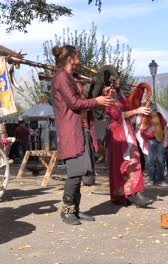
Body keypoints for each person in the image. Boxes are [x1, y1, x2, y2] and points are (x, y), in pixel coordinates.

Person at [50, 45, 114, 225]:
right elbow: (74, 103)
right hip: (70, 131)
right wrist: (97, 101)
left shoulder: (72, 77)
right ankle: (67, 211)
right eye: (77, 54)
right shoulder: (61, 77)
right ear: (70, 58)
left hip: (82, 128)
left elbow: (85, 97)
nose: (79, 57)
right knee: (74, 173)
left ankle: (76, 211)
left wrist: (102, 94)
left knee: (81, 172)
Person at [104, 82, 154, 207]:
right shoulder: (107, 98)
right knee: (120, 164)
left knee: (135, 161)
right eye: (115, 80)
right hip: (117, 133)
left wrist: (140, 114)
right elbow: (117, 116)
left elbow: (127, 115)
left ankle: (136, 193)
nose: (118, 82)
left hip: (127, 130)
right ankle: (123, 195)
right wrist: (136, 110)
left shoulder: (120, 96)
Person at [142, 103, 168, 186]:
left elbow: (165, 128)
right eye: (148, 108)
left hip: (160, 140)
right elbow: (142, 130)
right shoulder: (144, 118)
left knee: (160, 161)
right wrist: (148, 131)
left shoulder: (159, 116)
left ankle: (161, 180)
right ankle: (152, 180)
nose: (149, 109)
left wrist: (166, 140)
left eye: (150, 108)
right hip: (150, 141)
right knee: (150, 161)